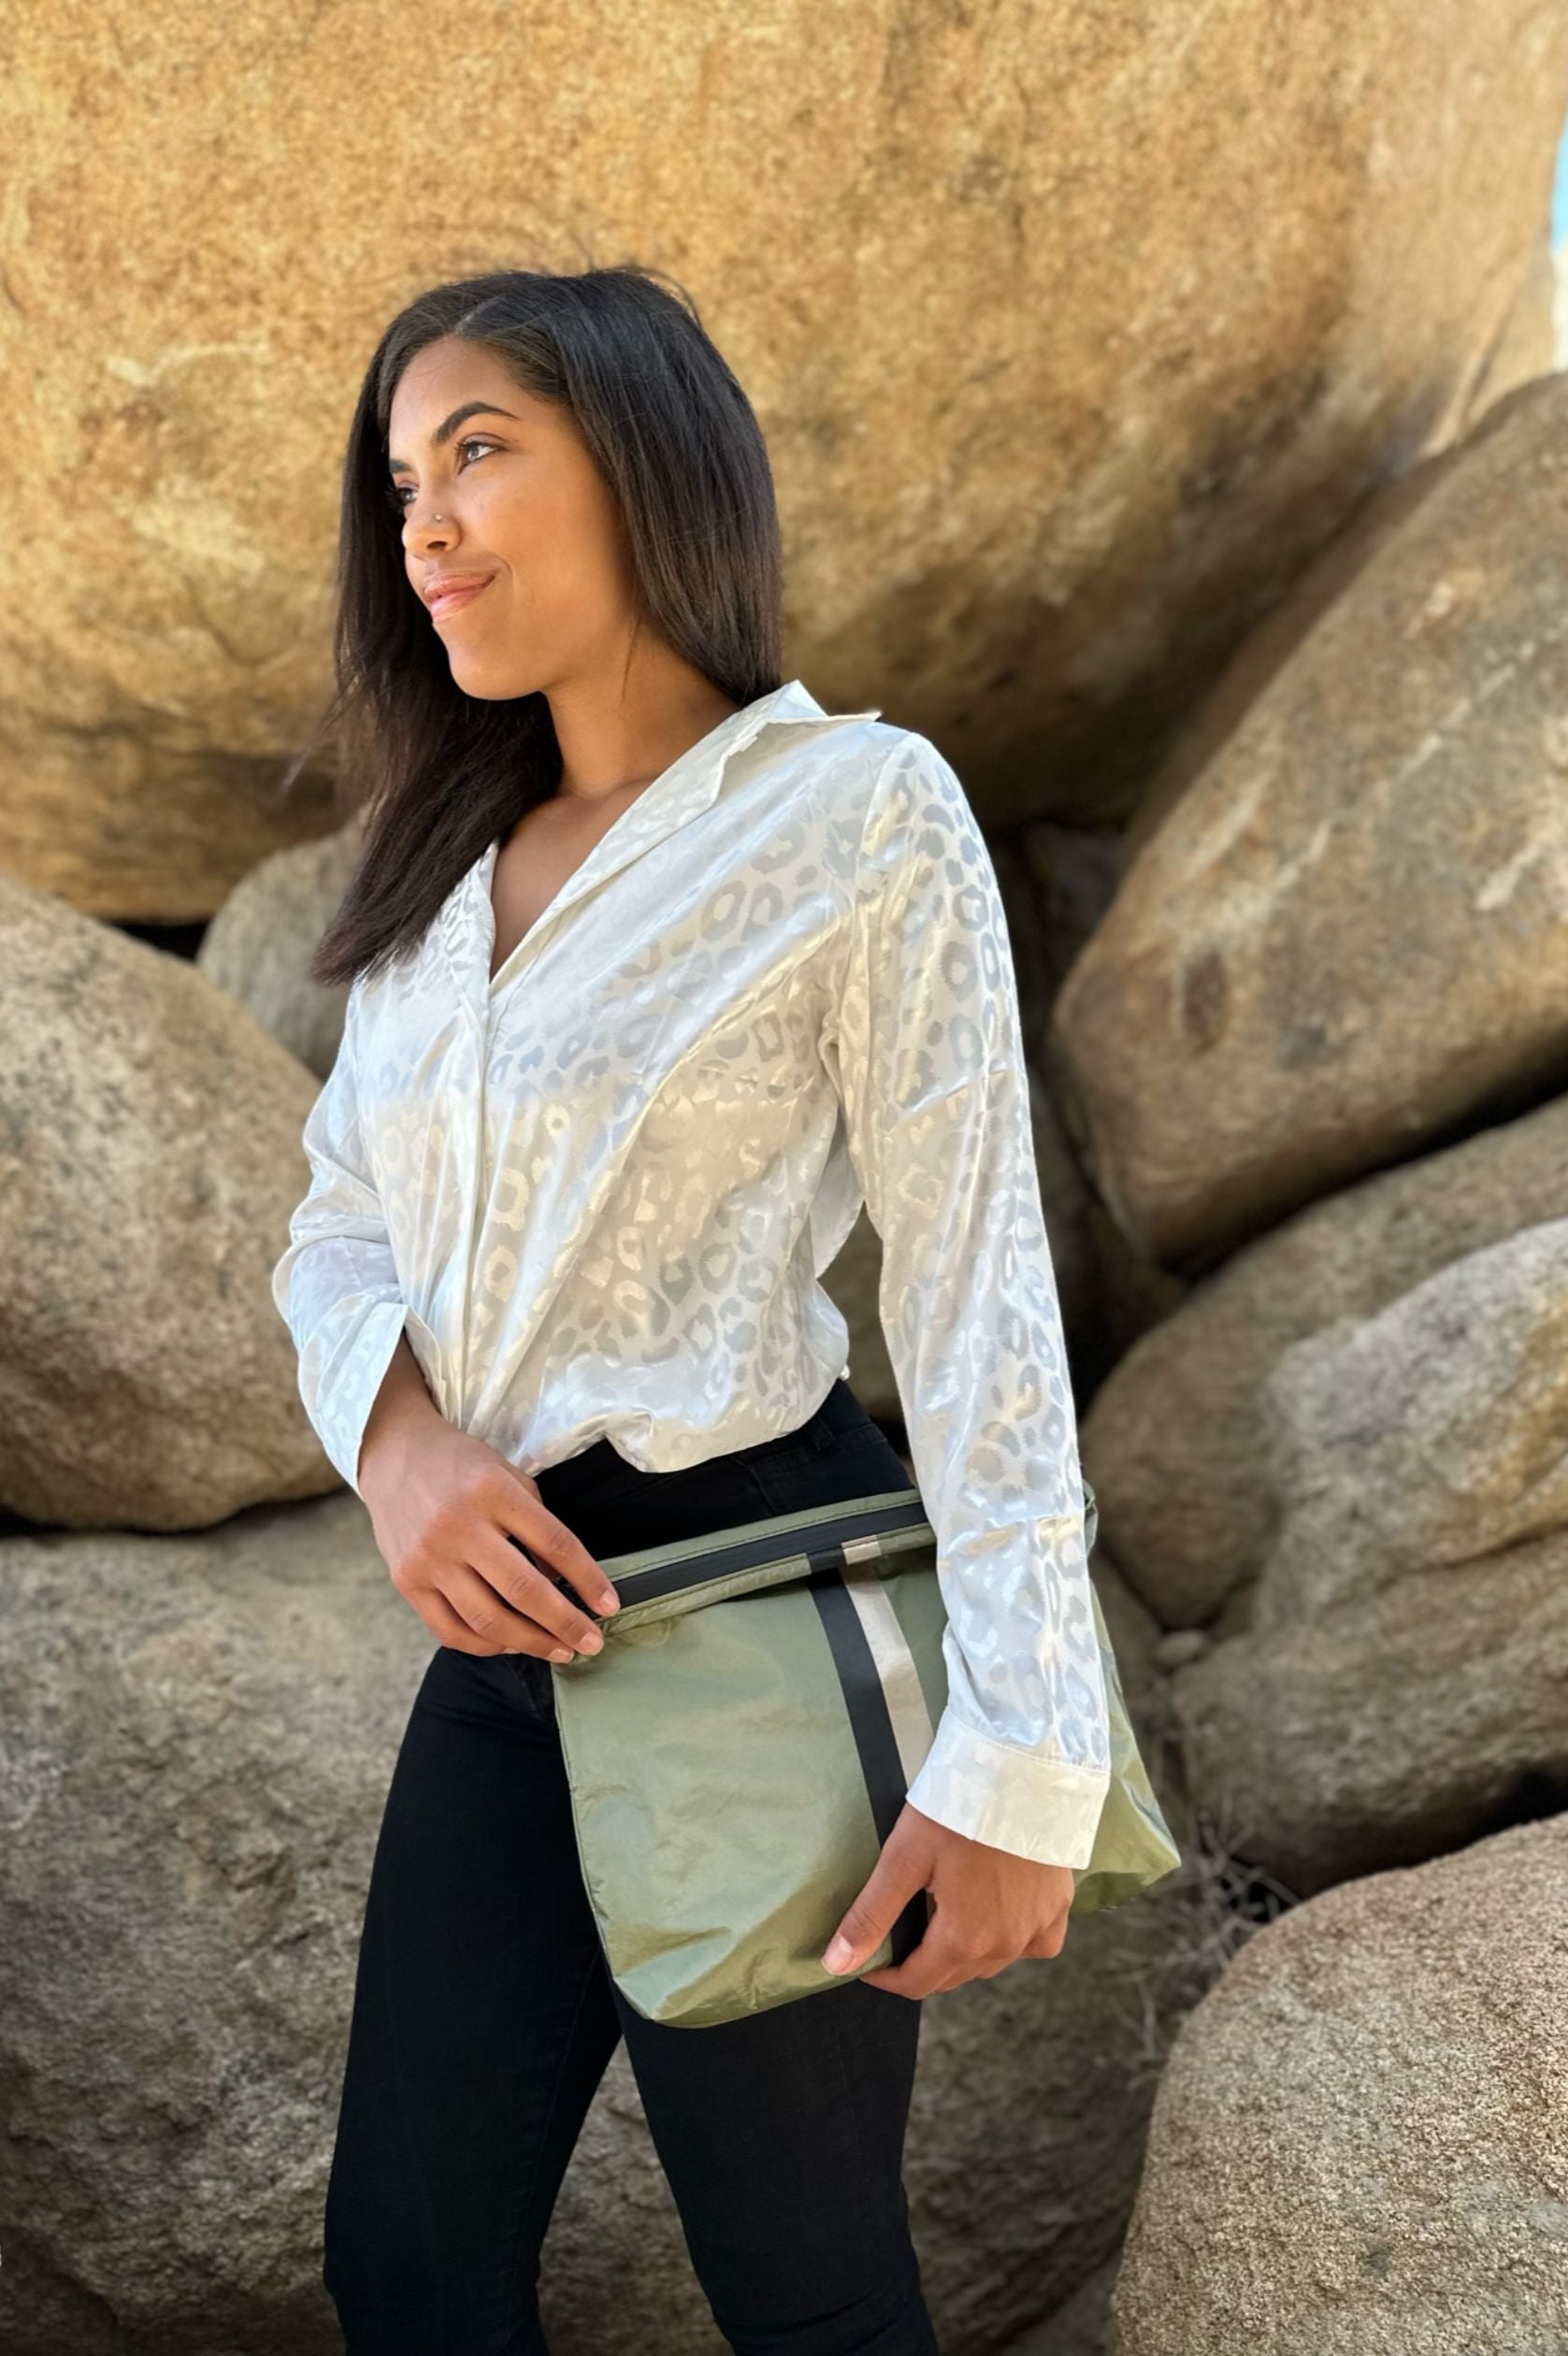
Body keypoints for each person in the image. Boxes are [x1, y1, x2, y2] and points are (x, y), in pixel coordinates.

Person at [271, 264, 1113, 2356]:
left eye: (478, 451)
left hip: (750, 1593)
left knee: (808, 2294)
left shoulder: (854, 813)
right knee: (407, 2267)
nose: (427, 528)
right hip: (496, 1626)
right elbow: (336, 1224)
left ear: (648, 461)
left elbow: (977, 1278)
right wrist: (399, 1456)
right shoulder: (432, 880)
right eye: (400, 486)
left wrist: (1026, 1761)